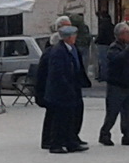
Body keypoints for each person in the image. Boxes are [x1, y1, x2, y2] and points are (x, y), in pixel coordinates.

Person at [37, 23, 90, 153]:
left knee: (70, 118)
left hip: (69, 90)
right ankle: (56, 144)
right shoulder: (58, 51)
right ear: (68, 37)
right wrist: (67, 87)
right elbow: (58, 74)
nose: (75, 38)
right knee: (59, 119)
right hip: (60, 92)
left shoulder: (69, 49)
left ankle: (70, 142)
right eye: (74, 35)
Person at [97, 22, 129, 146]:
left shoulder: (128, 48)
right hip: (116, 85)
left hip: (128, 84)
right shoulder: (114, 48)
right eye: (128, 32)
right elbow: (118, 60)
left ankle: (128, 135)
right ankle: (104, 133)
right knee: (112, 112)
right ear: (121, 34)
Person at [36, 16, 75, 150]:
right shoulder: (56, 51)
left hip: (57, 90)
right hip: (56, 91)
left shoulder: (63, 50)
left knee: (60, 117)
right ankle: (54, 142)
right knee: (56, 117)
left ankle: (63, 140)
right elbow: (53, 73)